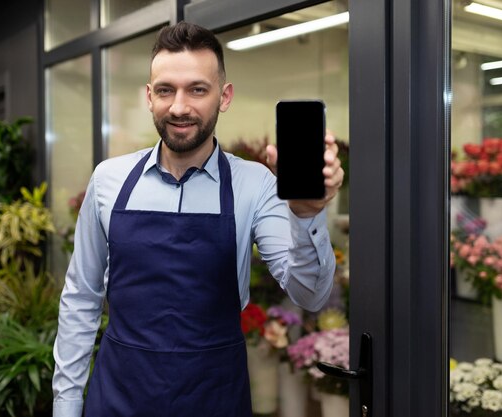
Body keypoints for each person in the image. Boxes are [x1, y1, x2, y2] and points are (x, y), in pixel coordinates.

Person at [52, 21, 344, 417]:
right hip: (119, 397)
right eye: (166, 90)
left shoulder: (255, 184)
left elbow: (309, 294)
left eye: (197, 89)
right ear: (149, 96)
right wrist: (66, 407)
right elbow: (81, 299)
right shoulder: (109, 179)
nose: (179, 107)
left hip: (215, 396)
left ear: (224, 97)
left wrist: (308, 215)